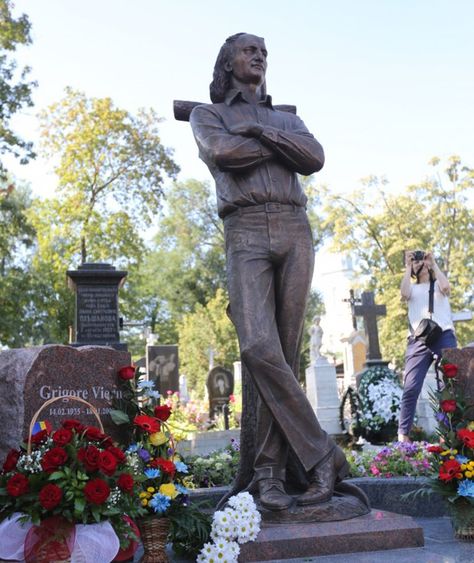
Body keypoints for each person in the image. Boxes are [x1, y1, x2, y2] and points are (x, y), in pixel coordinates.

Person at [190, 32, 348, 511]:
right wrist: (282, 148)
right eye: (248, 50)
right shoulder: (208, 114)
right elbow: (224, 155)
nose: (258, 56)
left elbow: (314, 159)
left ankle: (271, 475)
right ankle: (324, 454)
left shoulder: (286, 117)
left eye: (264, 52)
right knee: (259, 348)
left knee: (287, 354)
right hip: (246, 229)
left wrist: (263, 132)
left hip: (294, 227)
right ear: (227, 62)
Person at [398, 250, 457, 442]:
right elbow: (404, 293)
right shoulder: (412, 289)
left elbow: (447, 287)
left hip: (444, 335)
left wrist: (434, 263)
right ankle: (403, 435)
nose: (420, 263)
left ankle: (447, 434)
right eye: (417, 260)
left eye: (422, 259)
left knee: (447, 387)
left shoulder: (438, 284)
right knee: (411, 387)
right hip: (418, 339)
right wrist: (408, 267)